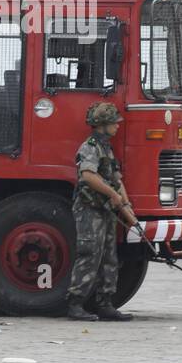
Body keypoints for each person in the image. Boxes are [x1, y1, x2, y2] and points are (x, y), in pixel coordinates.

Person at [63, 102, 134, 322]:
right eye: (114, 123)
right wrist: (114, 197)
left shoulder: (106, 149)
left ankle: (105, 304)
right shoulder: (90, 147)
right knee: (89, 254)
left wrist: (126, 206)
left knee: (108, 256)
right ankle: (75, 304)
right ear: (102, 125)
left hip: (104, 211)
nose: (118, 126)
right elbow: (88, 176)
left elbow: (116, 179)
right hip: (89, 209)